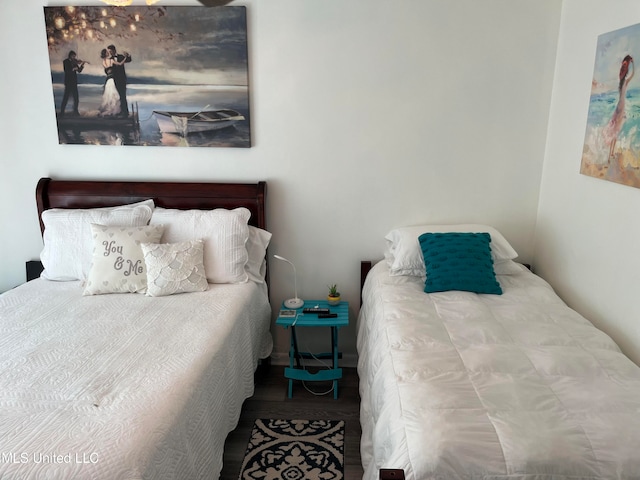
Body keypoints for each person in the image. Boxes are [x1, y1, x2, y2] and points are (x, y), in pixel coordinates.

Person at [603, 54, 634, 162]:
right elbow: (632, 74)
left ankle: (611, 154)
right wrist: (631, 64)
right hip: (620, 108)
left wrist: (631, 63)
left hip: (620, 107)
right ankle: (609, 155)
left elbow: (631, 74)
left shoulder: (622, 83)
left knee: (615, 131)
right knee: (614, 131)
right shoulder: (623, 82)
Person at [98, 48, 126, 117]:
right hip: (113, 79)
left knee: (109, 95)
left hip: (108, 80)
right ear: (106, 54)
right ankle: (114, 110)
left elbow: (107, 71)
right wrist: (125, 58)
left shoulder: (103, 62)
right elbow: (120, 64)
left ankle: (109, 109)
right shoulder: (111, 60)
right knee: (114, 95)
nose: (109, 53)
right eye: (108, 52)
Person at [106, 44, 132, 117]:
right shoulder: (111, 59)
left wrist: (128, 56)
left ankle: (125, 112)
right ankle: (121, 111)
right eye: (109, 51)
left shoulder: (120, 57)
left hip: (122, 79)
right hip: (116, 79)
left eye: (111, 51)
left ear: (114, 50)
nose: (110, 53)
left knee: (123, 96)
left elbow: (129, 60)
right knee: (119, 96)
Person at [59, 50, 87, 117]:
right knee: (66, 97)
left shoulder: (74, 62)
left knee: (76, 98)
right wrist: (73, 69)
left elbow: (79, 71)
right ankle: (62, 112)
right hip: (68, 82)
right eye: (73, 56)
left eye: (75, 56)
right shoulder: (65, 61)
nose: (74, 57)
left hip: (74, 82)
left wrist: (82, 65)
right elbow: (66, 70)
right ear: (70, 55)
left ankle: (75, 111)